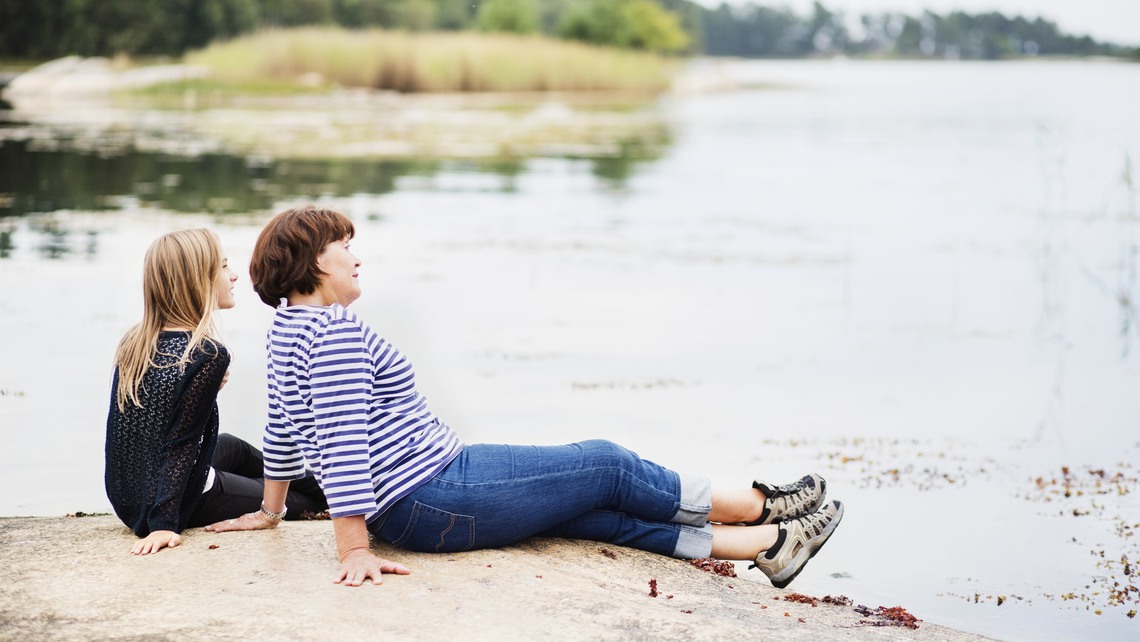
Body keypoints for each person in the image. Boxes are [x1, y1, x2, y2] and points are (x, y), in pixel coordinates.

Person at [206, 206, 843, 588]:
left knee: (590, 514)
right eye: (344, 246)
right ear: (312, 263)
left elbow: (285, 426)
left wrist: (271, 509)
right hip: (429, 496)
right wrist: (353, 550)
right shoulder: (333, 333)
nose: (356, 258)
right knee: (604, 464)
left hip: (426, 492)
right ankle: (763, 507)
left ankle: (768, 549)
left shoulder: (289, 329)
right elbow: (341, 443)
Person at [104, 228, 328, 556]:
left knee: (233, 448)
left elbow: (126, 435)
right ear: (198, 280)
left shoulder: (134, 343)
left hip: (129, 497)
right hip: (182, 499)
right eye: (224, 267)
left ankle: (322, 479)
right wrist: (164, 523)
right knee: (302, 500)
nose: (235, 275)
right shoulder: (207, 353)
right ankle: (335, 492)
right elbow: (181, 443)